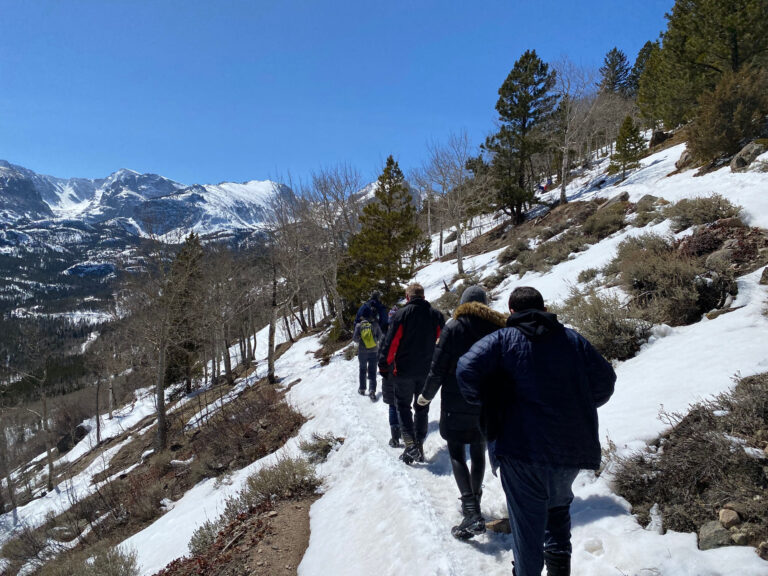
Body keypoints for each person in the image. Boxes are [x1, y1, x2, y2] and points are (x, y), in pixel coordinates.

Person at [456, 287, 616, 576]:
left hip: (521, 449)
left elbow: (465, 369)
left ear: (512, 311)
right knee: (557, 516)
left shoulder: (501, 339)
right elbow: (605, 382)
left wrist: (489, 402)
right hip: (568, 448)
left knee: (527, 528)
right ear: (544, 308)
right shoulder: (572, 339)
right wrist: (577, 406)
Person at [417, 285, 507, 540]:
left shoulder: (453, 327)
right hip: (486, 399)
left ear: (463, 303)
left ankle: (470, 510)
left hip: (456, 399)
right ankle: (475, 501)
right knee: (478, 451)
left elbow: (438, 367)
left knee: (457, 452)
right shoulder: (497, 327)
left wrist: (425, 397)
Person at [379, 283, 445, 464]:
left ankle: (410, 445)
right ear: (423, 296)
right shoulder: (436, 315)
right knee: (422, 408)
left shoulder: (401, 315)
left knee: (403, 406)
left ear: (408, 297)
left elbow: (391, 343)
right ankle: (419, 444)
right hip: (427, 371)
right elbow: (441, 344)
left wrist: (384, 366)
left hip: (403, 371)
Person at [381, 304, 401, 447]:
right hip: (403, 374)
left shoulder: (385, 337)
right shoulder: (405, 335)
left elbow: (380, 359)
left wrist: (384, 372)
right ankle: (407, 431)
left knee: (393, 406)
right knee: (404, 405)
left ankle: (395, 437)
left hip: (389, 376)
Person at [352, 310, 383, 400]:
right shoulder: (375, 324)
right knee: (372, 371)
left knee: (362, 369)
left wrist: (361, 340)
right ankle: (372, 391)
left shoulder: (359, 326)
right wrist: (375, 340)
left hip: (362, 351)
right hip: (374, 351)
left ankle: (362, 389)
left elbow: (354, 339)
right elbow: (380, 336)